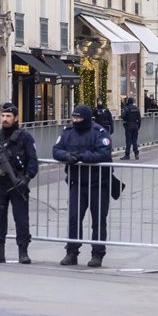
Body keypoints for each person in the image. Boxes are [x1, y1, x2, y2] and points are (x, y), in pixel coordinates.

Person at [52, 104, 113, 267]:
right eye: (73, 117)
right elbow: (56, 150)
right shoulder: (68, 132)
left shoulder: (99, 132)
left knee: (98, 221)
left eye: (78, 118)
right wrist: (67, 156)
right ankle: (72, 252)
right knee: (74, 219)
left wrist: (82, 157)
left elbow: (104, 152)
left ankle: (97, 254)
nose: (75, 120)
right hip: (77, 183)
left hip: (98, 184)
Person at [0, 103, 38, 264]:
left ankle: (23, 252)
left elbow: (33, 161)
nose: (5, 119)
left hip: (18, 183)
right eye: (3, 116)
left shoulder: (24, 137)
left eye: (8, 117)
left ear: (16, 118)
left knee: (21, 218)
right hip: (0, 184)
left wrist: (26, 178)